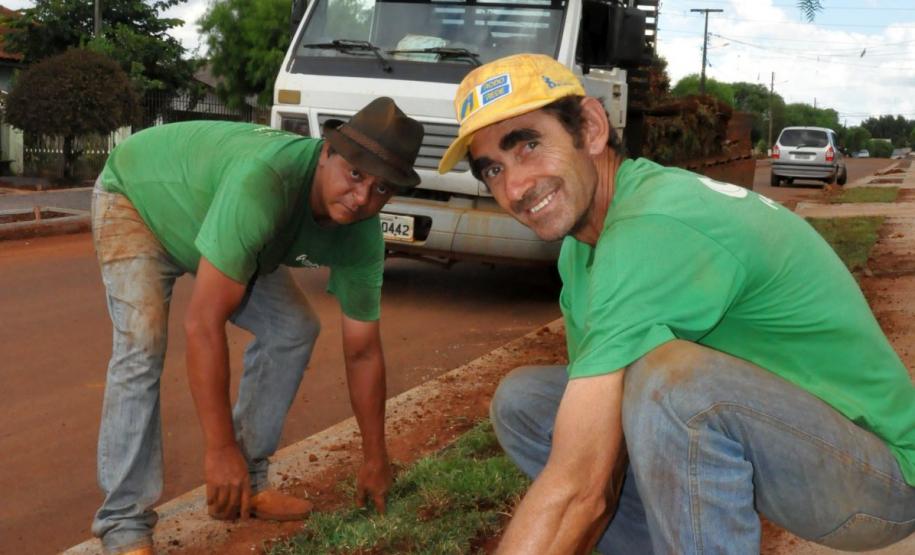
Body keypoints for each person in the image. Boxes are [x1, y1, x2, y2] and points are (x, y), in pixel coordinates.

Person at [438, 54, 915, 554]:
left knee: (675, 386)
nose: (514, 187)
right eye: (493, 168)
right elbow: (595, 451)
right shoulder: (584, 250)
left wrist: (573, 501)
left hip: (879, 478)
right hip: (788, 441)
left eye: (530, 145)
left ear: (593, 127)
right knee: (526, 402)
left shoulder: (652, 227)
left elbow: (578, 488)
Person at [90, 97, 423, 555]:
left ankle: (246, 483)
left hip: (216, 228)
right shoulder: (267, 182)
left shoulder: (361, 233)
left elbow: (363, 350)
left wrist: (375, 456)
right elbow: (203, 324)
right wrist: (218, 448)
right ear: (326, 153)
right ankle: (124, 523)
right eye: (355, 174)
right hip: (140, 200)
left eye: (382, 189)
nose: (363, 197)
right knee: (142, 342)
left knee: (293, 329)